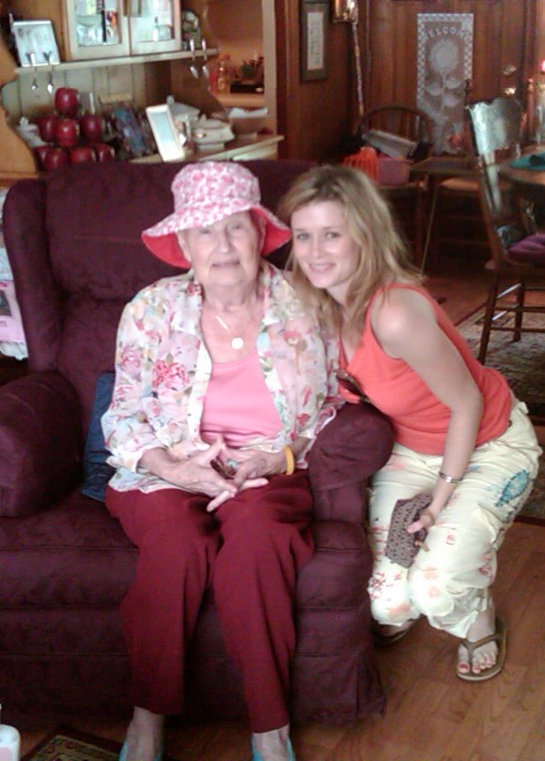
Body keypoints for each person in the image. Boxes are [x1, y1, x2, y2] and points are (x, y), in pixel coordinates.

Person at [102, 162, 334, 761]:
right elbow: (122, 414)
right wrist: (173, 468)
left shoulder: (307, 304)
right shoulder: (150, 310)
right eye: (204, 231)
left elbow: (334, 402)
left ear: (261, 234)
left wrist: (276, 458)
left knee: (257, 542)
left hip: (270, 468)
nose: (223, 245)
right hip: (166, 469)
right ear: (183, 245)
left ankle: (269, 727)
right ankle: (148, 718)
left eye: (235, 227)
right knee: (177, 543)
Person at [280, 165, 542, 682]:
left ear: (365, 234)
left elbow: (466, 404)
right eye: (303, 236)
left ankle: (475, 614)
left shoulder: (394, 313)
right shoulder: (318, 304)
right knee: (386, 605)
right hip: (411, 451)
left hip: (489, 443)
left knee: (435, 590)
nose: (314, 252)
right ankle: (438, 576)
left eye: (331, 234)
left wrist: (441, 498)